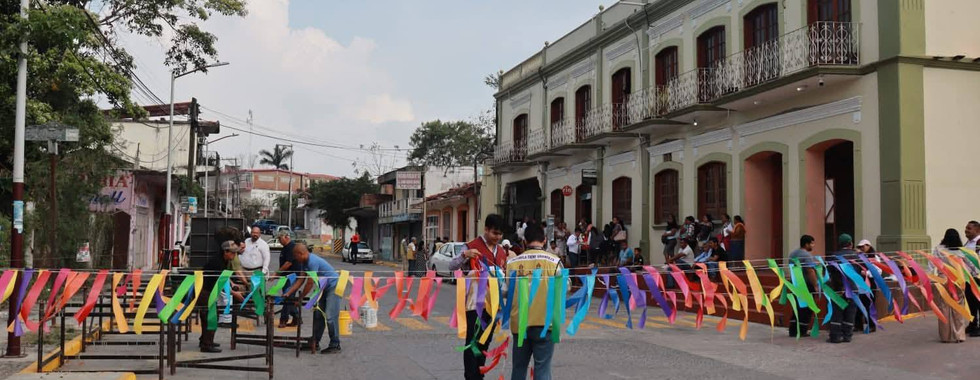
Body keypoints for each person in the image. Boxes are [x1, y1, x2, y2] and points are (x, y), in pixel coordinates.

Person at [449, 214, 508, 380]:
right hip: (475, 304)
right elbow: (451, 266)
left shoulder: (502, 252)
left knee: (485, 341)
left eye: (500, 234)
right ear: (486, 229)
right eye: (494, 233)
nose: (497, 237)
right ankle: (471, 376)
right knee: (472, 342)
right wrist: (464, 255)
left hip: (493, 305)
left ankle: (479, 375)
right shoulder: (471, 246)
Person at [506, 223, 563, 380]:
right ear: (544, 240)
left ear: (524, 240)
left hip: (520, 324)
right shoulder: (554, 261)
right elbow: (565, 287)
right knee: (542, 369)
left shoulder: (512, 263)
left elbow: (506, 290)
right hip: (545, 324)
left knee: (518, 368)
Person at [283, 243, 341, 354]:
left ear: (301, 253)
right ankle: (315, 342)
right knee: (318, 314)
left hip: (334, 286)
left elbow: (309, 283)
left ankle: (335, 343)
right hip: (323, 286)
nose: (295, 259)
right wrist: (288, 293)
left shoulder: (312, 261)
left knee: (330, 315)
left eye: (296, 256)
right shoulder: (304, 263)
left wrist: (300, 298)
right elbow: (300, 280)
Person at [199, 240, 245, 352]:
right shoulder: (217, 262)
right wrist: (234, 294)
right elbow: (220, 282)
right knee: (211, 317)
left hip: (210, 291)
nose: (234, 255)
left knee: (208, 317)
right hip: (204, 291)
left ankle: (205, 340)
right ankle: (206, 345)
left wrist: (233, 284)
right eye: (233, 253)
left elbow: (224, 278)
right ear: (226, 252)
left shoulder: (223, 260)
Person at [934, 228, 968, 342]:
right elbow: (967, 266)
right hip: (958, 280)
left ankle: (945, 336)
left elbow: (932, 263)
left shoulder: (939, 249)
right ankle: (959, 335)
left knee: (943, 307)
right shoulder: (962, 251)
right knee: (958, 307)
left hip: (943, 279)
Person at [827, 234, 859, 344]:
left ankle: (835, 336)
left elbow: (829, 272)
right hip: (853, 288)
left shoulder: (833, 256)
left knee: (837, 313)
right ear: (850, 243)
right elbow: (860, 272)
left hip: (837, 289)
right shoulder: (857, 256)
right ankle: (847, 336)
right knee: (850, 313)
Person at [788, 235, 818, 338]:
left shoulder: (792, 254)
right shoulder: (806, 255)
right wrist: (815, 285)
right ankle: (802, 330)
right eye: (812, 243)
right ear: (807, 244)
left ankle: (793, 330)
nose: (813, 245)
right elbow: (810, 271)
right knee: (806, 308)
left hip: (794, 284)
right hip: (805, 285)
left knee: (796, 307)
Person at [276, 232, 300, 328]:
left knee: (287, 296)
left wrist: (277, 273)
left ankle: (283, 319)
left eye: (280, 239)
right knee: (289, 297)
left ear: (286, 237)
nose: (279, 241)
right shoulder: (285, 248)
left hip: (292, 277)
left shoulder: (292, 247)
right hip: (285, 277)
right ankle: (296, 317)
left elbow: (288, 263)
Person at [963, 221, 980, 336]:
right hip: (968, 277)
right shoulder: (968, 243)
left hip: (978, 277)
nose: (966, 230)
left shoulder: (979, 243)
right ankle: (973, 324)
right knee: (970, 302)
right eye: (966, 228)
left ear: (977, 230)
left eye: (969, 228)